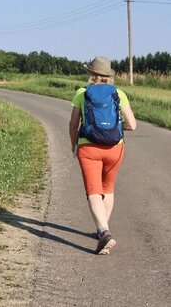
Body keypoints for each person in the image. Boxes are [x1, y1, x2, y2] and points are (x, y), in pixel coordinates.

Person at [68, 56, 137, 255]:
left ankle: (104, 232)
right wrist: (115, 129)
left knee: (93, 191)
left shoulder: (82, 93)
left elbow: (73, 125)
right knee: (107, 188)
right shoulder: (119, 93)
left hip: (88, 148)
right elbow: (132, 125)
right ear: (109, 75)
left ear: (91, 73)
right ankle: (103, 230)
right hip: (115, 148)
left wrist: (73, 144)